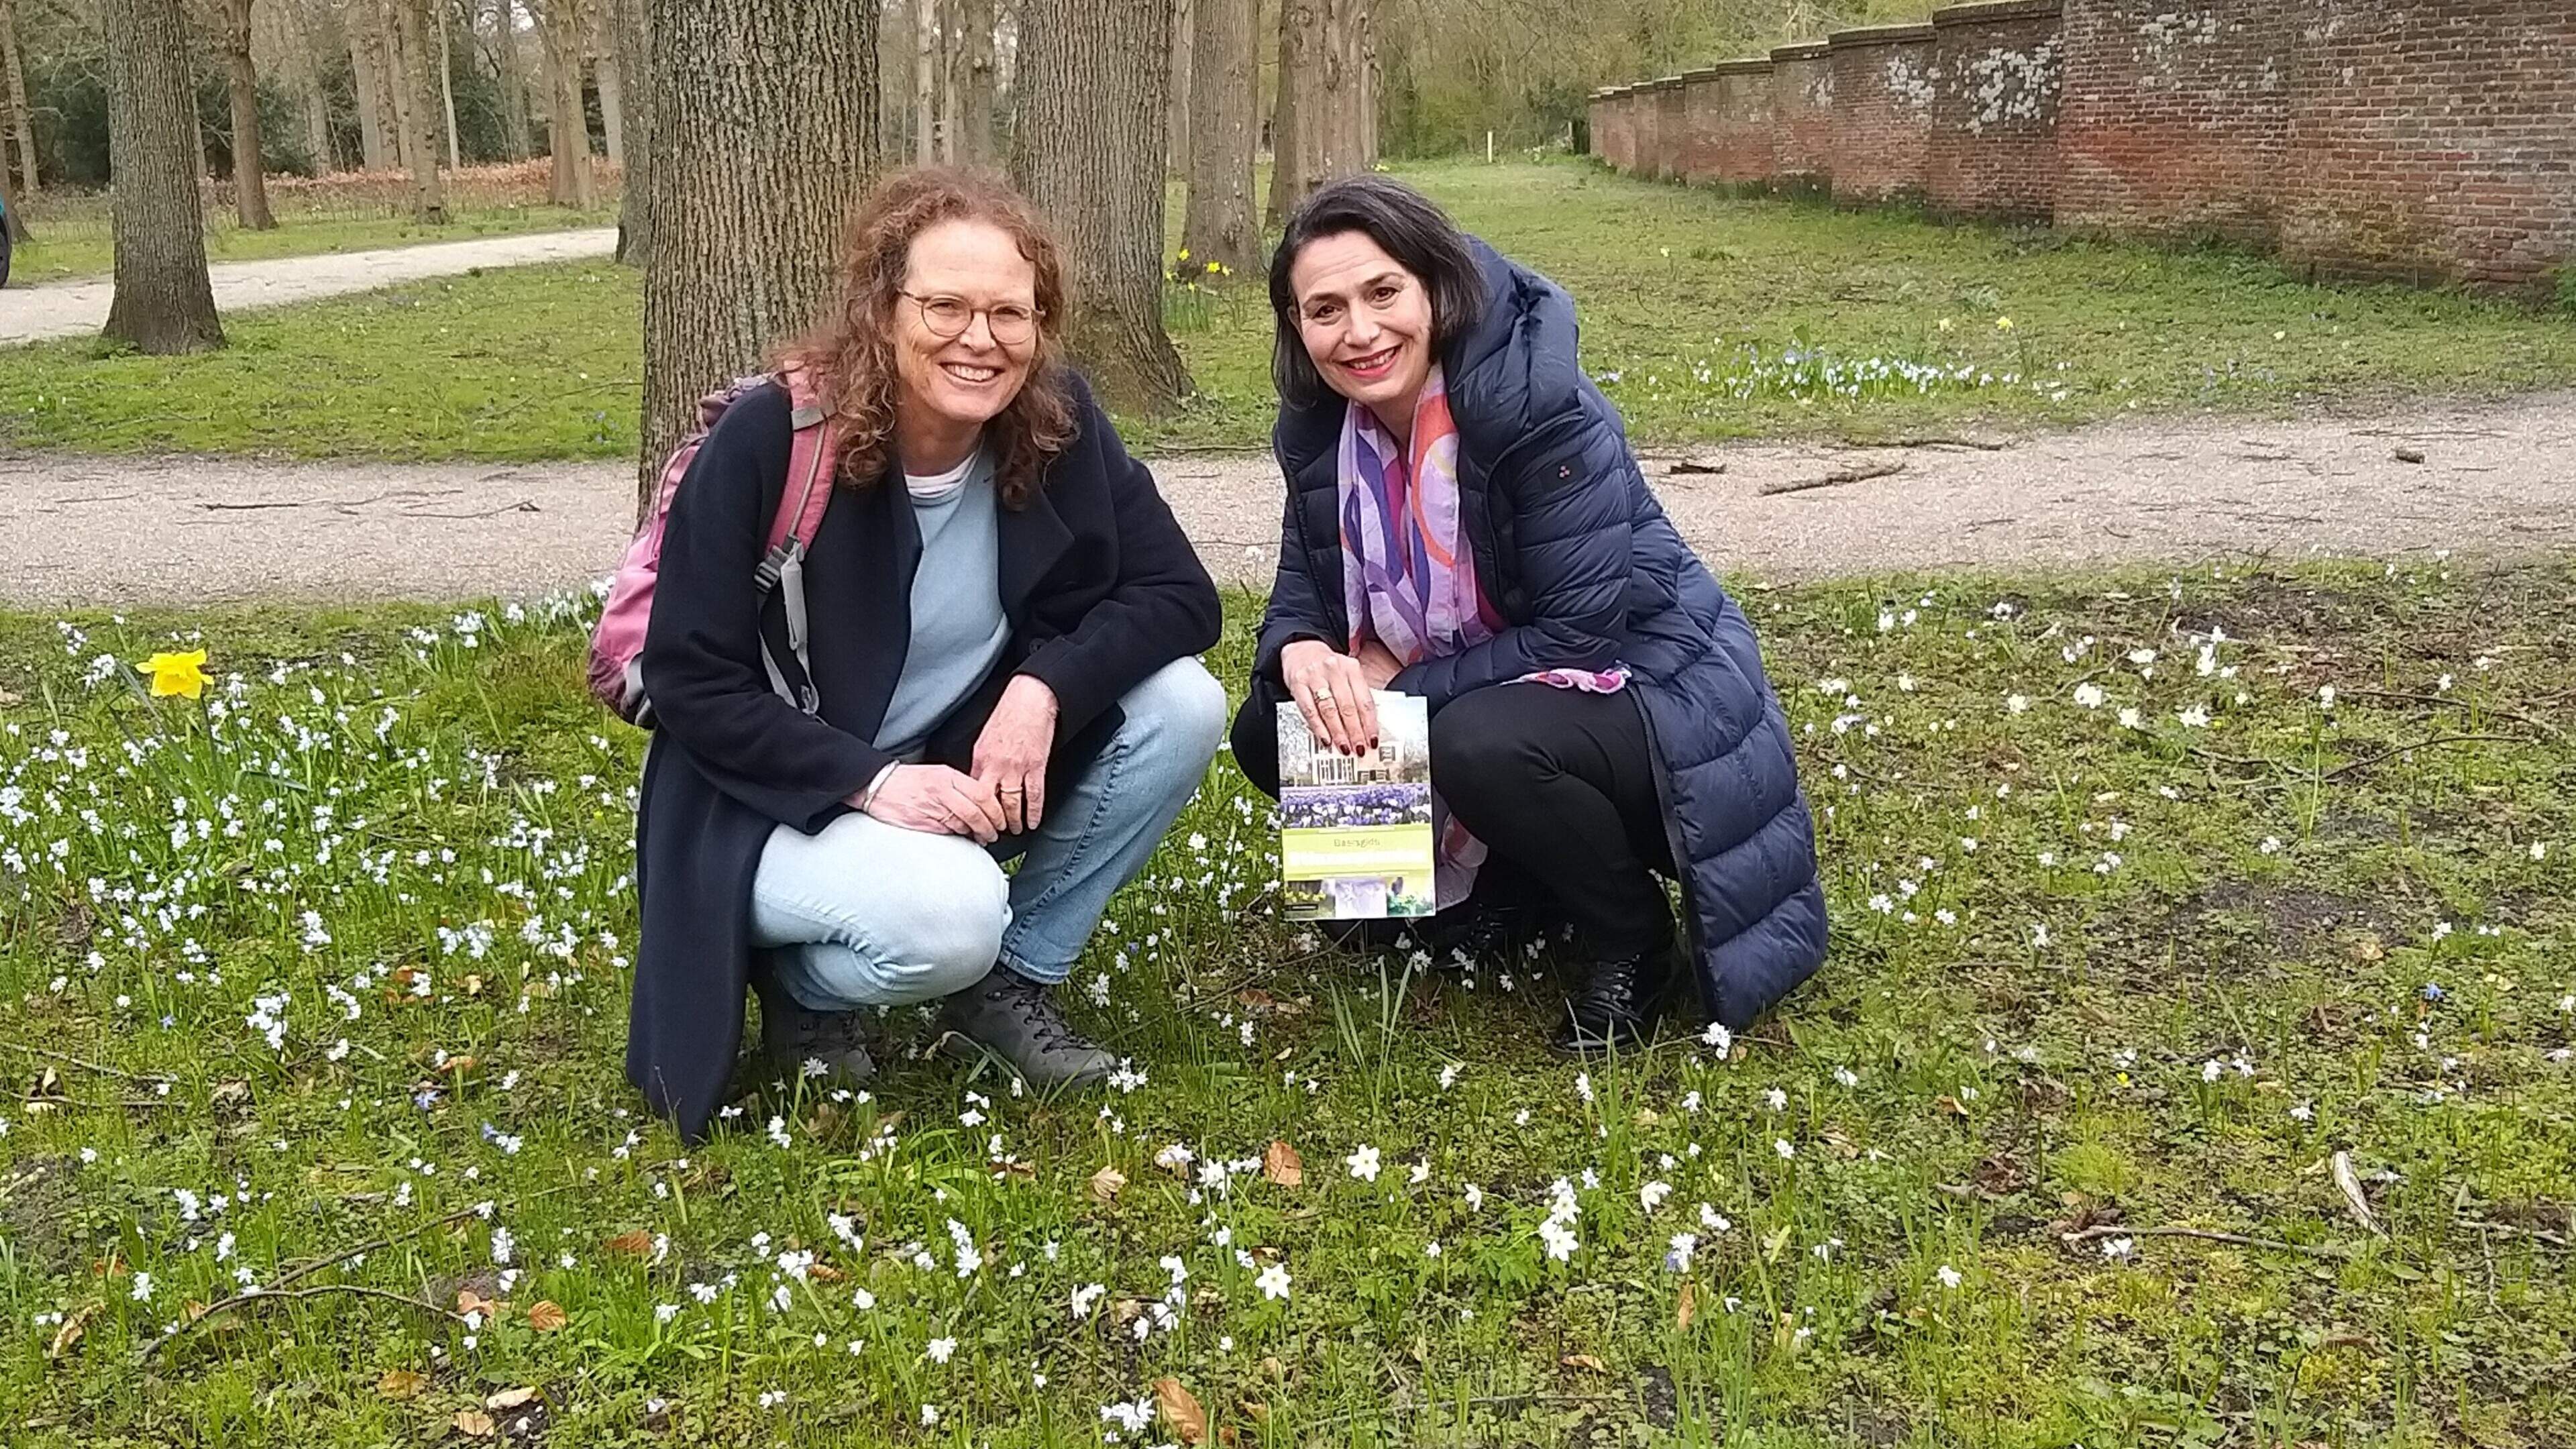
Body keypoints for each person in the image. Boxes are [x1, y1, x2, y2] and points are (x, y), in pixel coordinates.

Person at [628, 168, 1226, 1143]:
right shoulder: (775, 438)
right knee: (952, 916)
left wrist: (1042, 687)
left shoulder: (1055, 424)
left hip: (950, 766)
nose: (979, 339)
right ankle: (803, 986)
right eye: (945, 306)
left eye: (1009, 313)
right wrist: (867, 783)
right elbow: (692, 681)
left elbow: (1181, 598)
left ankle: (1008, 986)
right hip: (762, 796)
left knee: (1182, 705)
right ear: (882, 308)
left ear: (1041, 323)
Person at [1231, 176, 1827, 1053]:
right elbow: (1304, 585)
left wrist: (1405, 681)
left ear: (1435, 287)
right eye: (1324, 309)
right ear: (1296, 327)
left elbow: (1576, 635)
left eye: (1382, 292)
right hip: (1512, 682)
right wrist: (1301, 652)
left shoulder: (1540, 410)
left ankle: (1631, 941)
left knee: (1474, 739)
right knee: (1275, 724)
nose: (1358, 332)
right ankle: (1485, 894)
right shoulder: (1327, 432)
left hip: (1650, 684)